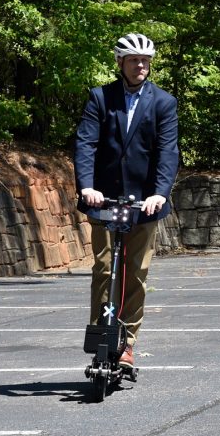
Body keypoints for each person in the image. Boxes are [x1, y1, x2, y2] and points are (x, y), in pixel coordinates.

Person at [74, 33, 179, 369]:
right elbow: (86, 143)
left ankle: (129, 342)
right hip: (104, 200)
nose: (141, 66)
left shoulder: (163, 103)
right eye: (134, 60)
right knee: (105, 268)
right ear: (120, 63)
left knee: (135, 272)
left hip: (144, 204)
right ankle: (101, 334)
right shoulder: (100, 98)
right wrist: (87, 186)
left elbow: (167, 152)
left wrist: (159, 193)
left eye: (145, 60)